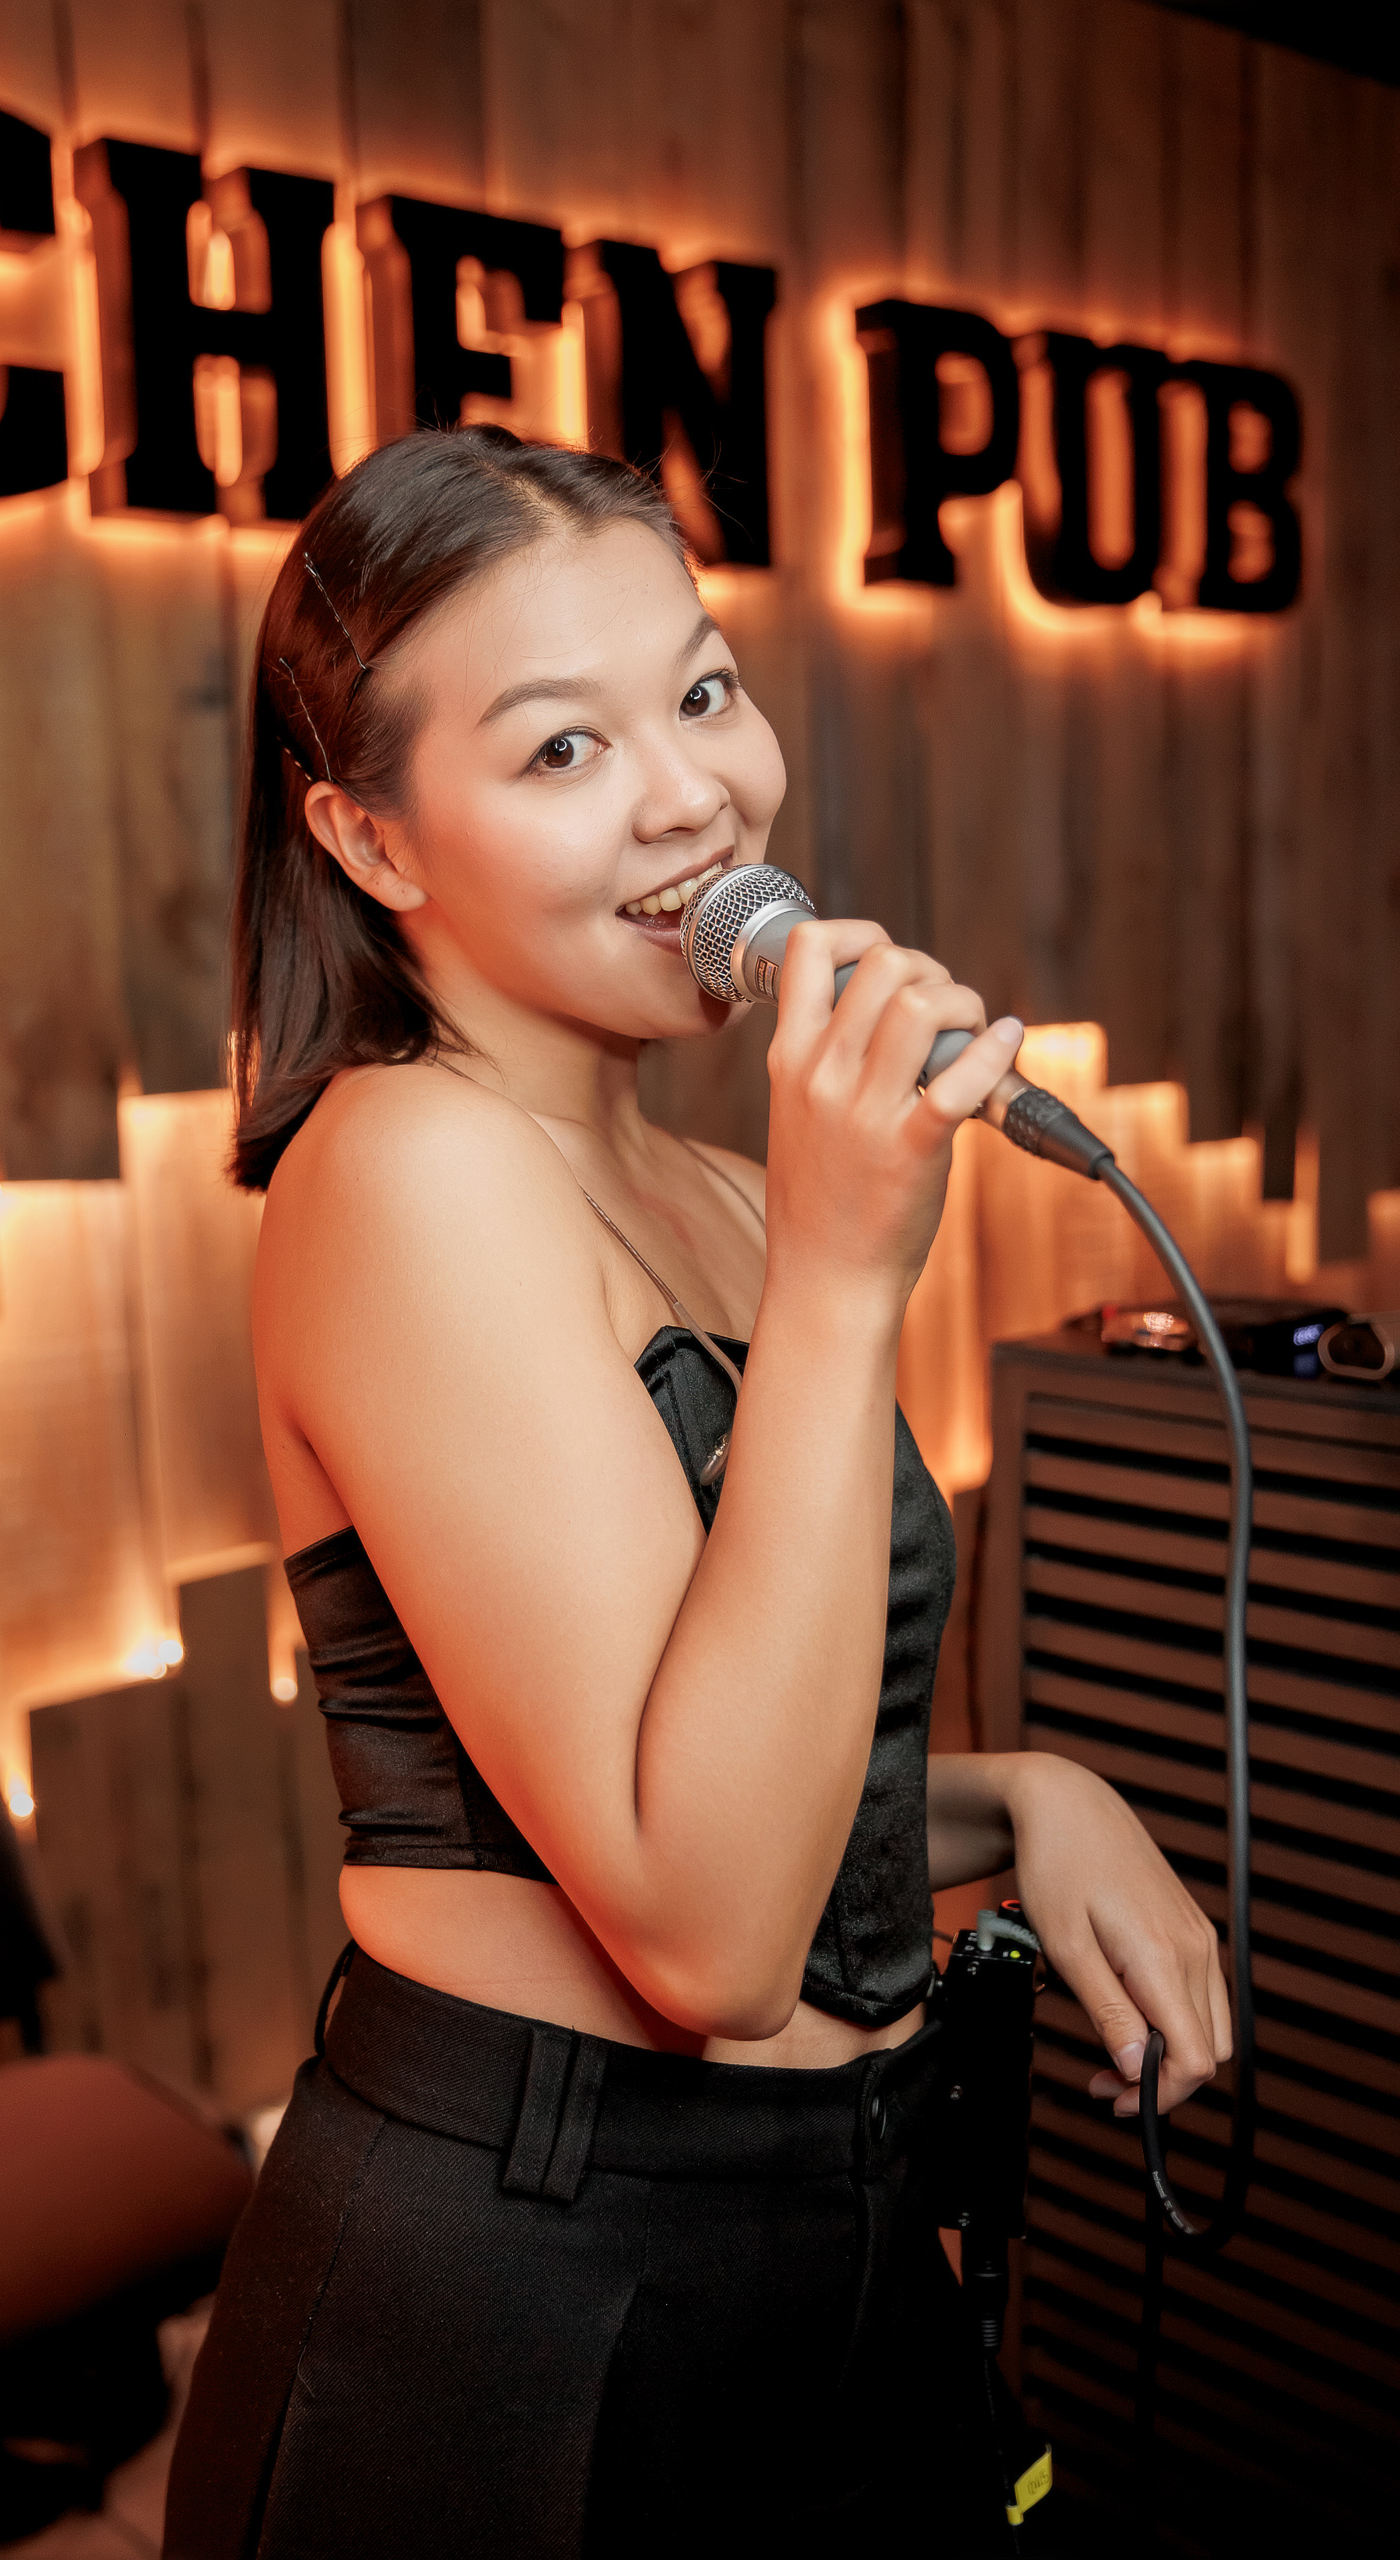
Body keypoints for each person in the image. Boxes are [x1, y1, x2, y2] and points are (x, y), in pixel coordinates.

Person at [164, 427, 1229, 2558]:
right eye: (563, 747)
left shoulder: (737, 1195)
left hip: (839, 2229)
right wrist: (845, 1283)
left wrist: (1021, 1794)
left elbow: (734, 1739)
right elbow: (708, 1929)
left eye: (704, 692)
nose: (691, 797)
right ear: (370, 837)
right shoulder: (404, 1168)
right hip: (534, 2273)